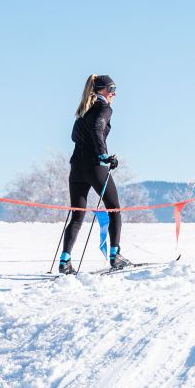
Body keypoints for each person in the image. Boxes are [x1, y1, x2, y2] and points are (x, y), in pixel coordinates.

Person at [58, 74, 131, 274]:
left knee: (77, 214)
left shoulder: (83, 110)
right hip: (94, 166)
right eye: (111, 89)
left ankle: (65, 261)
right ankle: (115, 256)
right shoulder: (104, 108)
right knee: (114, 208)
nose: (114, 94)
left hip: (76, 167)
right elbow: (98, 128)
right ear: (101, 90)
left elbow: (74, 136)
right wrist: (104, 156)